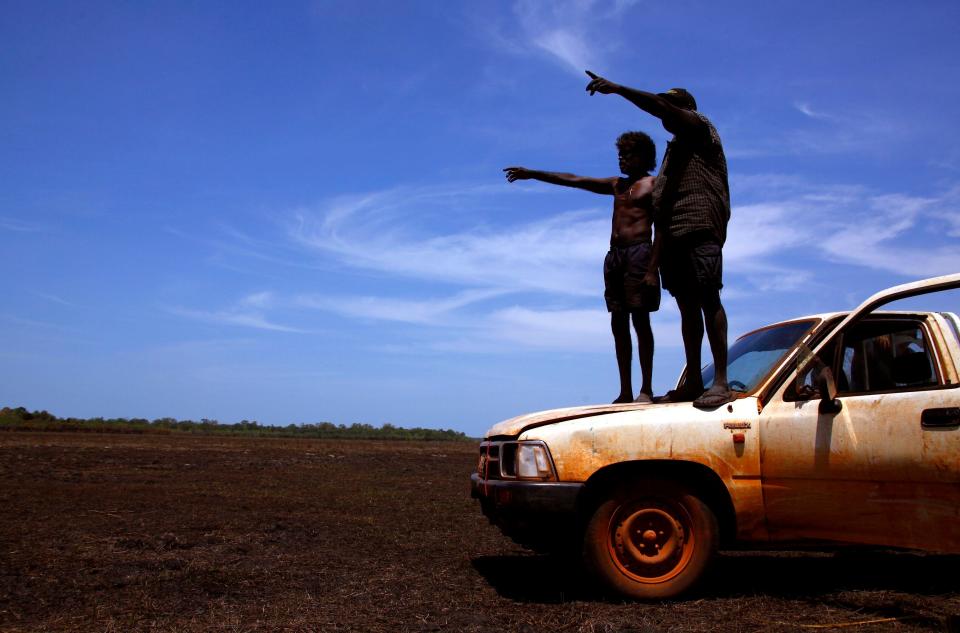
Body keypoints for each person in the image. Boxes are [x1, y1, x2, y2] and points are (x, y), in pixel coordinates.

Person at [585, 71, 732, 408]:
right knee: (687, 307)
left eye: (671, 105)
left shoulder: (700, 129)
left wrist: (620, 88)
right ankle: (694, 380)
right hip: (675, 238)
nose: (666, 110)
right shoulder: (673, 153)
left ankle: (721, 381)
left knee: (709, 298)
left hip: (700, 228)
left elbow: (660, 109)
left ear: (686, 109)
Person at [504, 131, 660, 404]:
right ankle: (625, 390)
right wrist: (533, 173)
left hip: (640, 254)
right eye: (619, 155)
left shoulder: (653, 184)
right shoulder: (616, 185)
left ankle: (645, 388)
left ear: (643, 157)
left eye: (628, 154)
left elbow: (664, 228)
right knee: (618, 322)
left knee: (641, 320)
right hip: (615, 257)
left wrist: (652, 269)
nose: (622, 159)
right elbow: (574, 180)